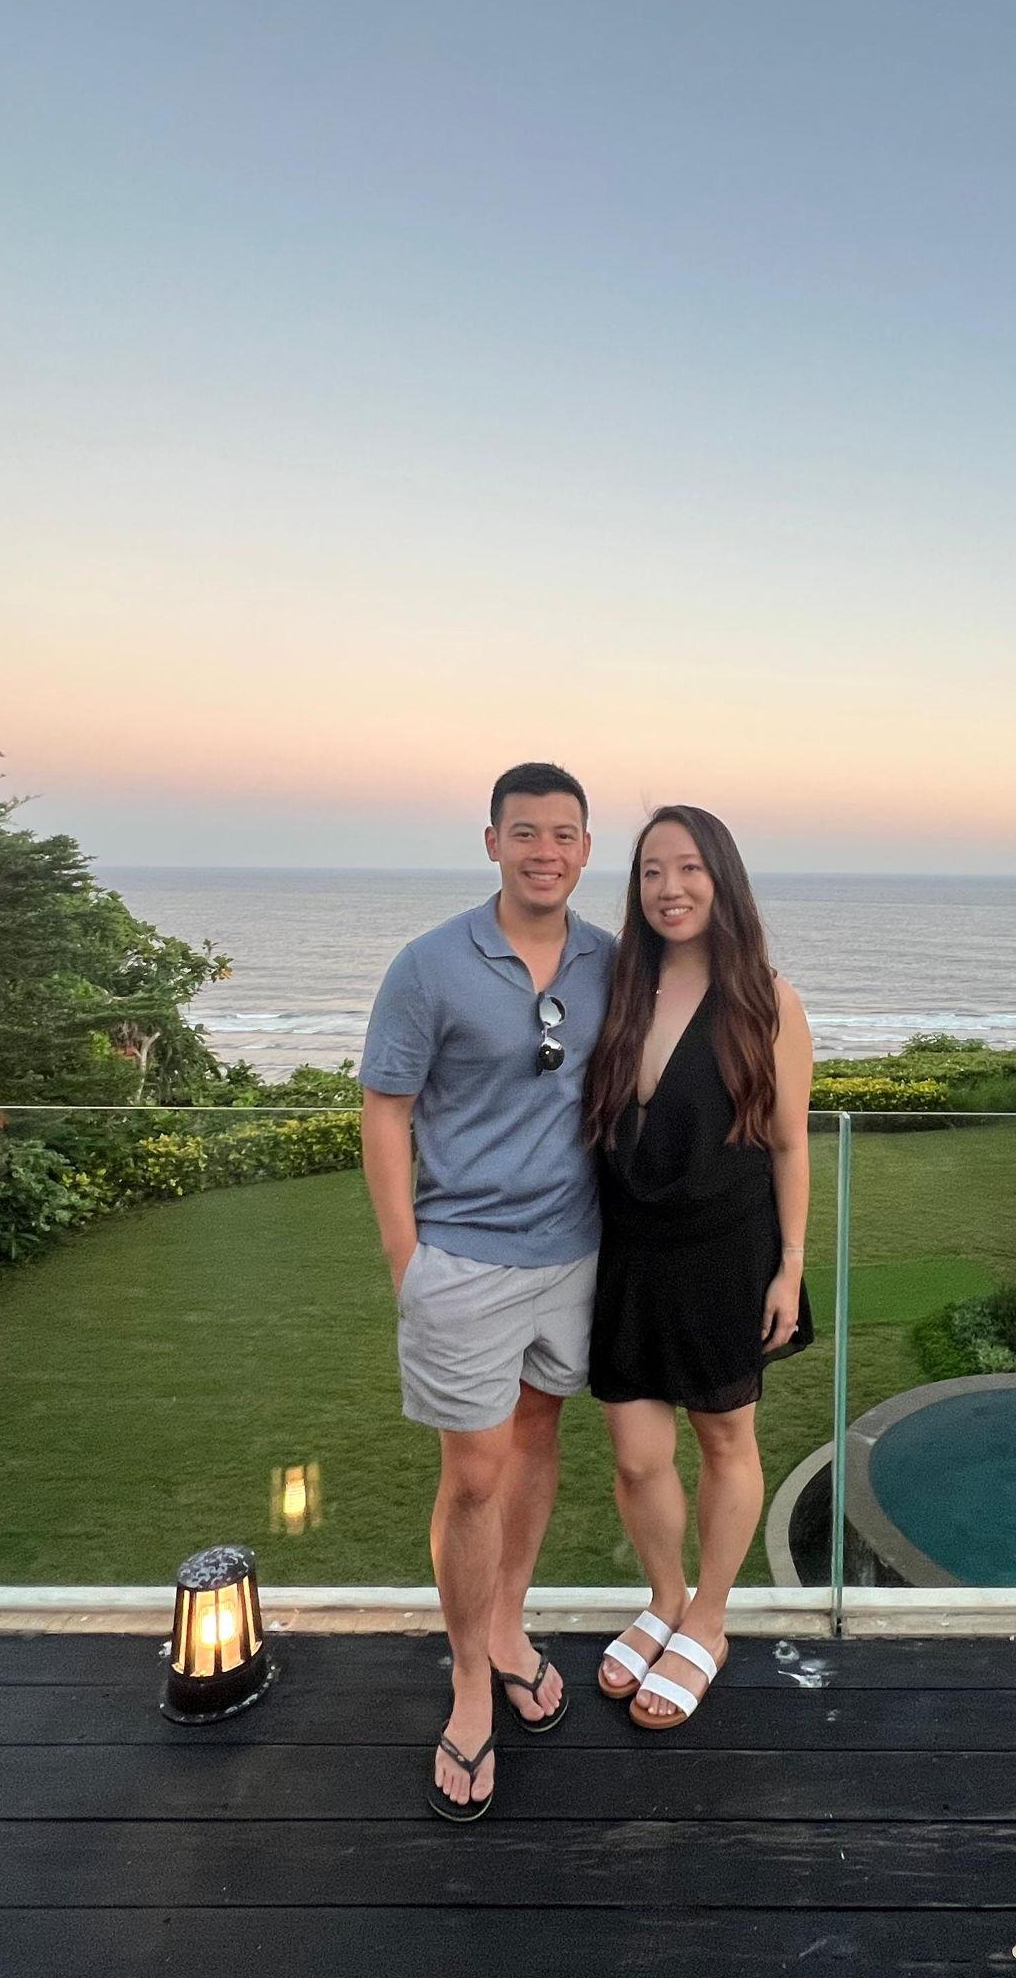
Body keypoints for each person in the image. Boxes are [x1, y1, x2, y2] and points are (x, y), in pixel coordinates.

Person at [359, 762, 614, 1821]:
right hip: (462, 1259)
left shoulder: (610, 961)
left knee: (537, 1438)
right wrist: (406, 1259)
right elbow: (384, 1108)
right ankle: (470, 1676)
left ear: (585, 848)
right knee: (472, 1474)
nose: (543, 851)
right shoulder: (430, 964)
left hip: (576, 1254)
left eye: (563, 834)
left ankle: (508, 1622)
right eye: (525, 832)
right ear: (492, 841)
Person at [583, 804, 814, 1730]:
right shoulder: (617, 988)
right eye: (650, 871)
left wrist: (790, 1266)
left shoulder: (765, 999)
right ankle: (665, 1599)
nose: (668, 888)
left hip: (727, 1252)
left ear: (721, 879)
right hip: (628, 1252)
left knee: (724, 1441)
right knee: (637, 1457)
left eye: (687, 868)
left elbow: (789, 1143)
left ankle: (709, 1621)